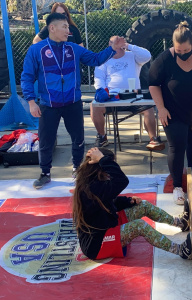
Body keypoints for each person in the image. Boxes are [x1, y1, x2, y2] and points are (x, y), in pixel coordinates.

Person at [21, 13, 125, 189]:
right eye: (64, 26)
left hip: (73, 103)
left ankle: (77, 169)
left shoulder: (73, 48)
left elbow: (95, 59)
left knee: (78, 139)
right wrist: (31, 102)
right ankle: (45, 173)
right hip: (48, 104)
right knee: (46, 141)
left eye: (68, 27)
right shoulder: (36, 50)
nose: (68, 30)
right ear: (52, 28)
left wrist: (112, 49)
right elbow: (27, 77)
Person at [72, 147, 192, 261]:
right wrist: (103, 159)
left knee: (143, 206)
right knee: (140, 226)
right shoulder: (91, 188)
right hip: (97, 244)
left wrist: (128, 201)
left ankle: (181, 223)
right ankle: (181, 250)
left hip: (107, 224)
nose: (111, 171)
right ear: (100, 167)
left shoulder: (94, 183)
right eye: (109, 164)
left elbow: (109, 201)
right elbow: (122, 181)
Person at [148, 21, 192, 205]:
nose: (182, 54)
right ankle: (177, 186)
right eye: (178, 51)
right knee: (176, 145)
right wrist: (161, 108)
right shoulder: (164, 59)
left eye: (185, 51)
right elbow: (153, 84)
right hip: (171, 111)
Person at [92, 36, 164, 151]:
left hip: (134, 97)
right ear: (109, 44)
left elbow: (147, 56)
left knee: (148, 108)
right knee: (94, 106)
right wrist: (101, 90)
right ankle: (102, 137)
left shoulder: (133, 56)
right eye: (115, 43)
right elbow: (99, 78)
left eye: (120, 43)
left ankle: (154, 138)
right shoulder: (103, 59)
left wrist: (129, 46)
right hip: (112, 98)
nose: (118, 46)